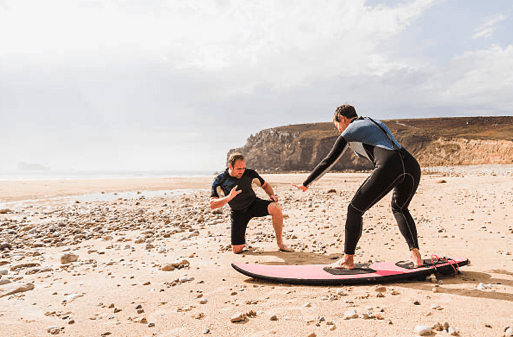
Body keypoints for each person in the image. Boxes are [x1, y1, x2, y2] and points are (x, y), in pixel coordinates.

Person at [293, 104, 423, 269]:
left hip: (390, 165)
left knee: (354, 209)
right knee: (400, 208)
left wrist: (306, 183)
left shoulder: (350, 131)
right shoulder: (373, 122)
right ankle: (416, 256)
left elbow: (328, 161)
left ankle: (348, 259)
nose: (338, 130)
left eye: (337, 126)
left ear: (343, 119)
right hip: (411, 165)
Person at [210, 152, 294, 254]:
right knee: (237, 250)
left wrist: (271, 195)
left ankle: (280, 244)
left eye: (243, 168)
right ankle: (242, 241)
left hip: (253, 204)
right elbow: (213, 205)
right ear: (230, 167)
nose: (242, 171)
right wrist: (229, 197)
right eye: (238, 169)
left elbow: (265, 185)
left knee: (276, 208)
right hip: (238, 212)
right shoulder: (220, 180)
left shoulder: (250, 174)